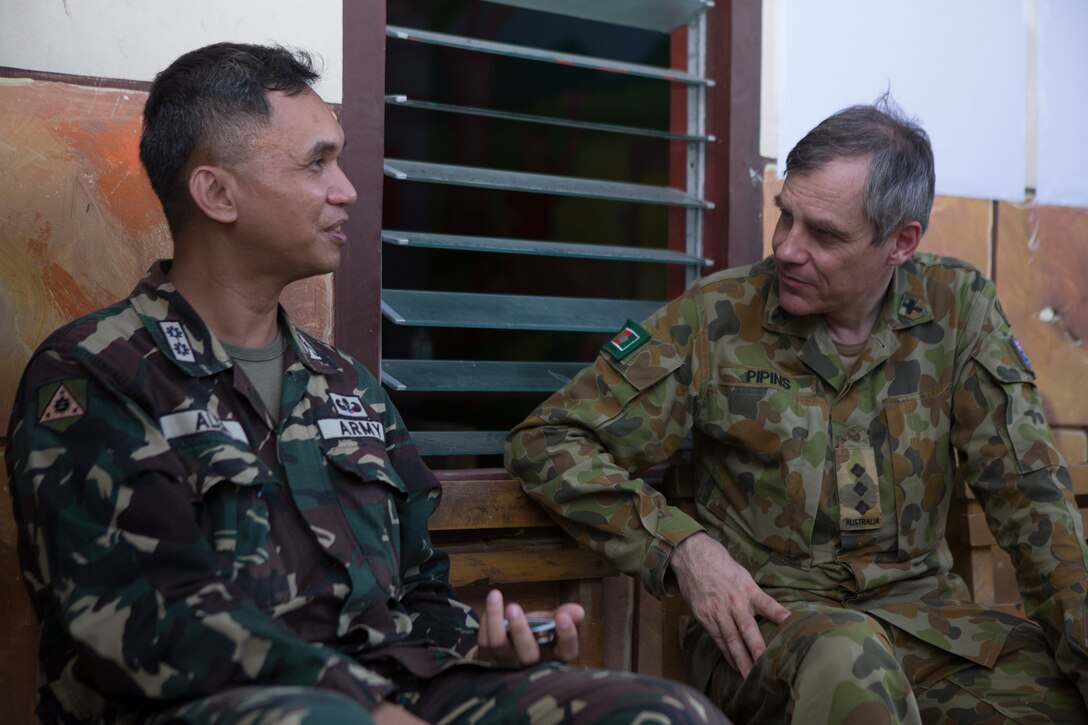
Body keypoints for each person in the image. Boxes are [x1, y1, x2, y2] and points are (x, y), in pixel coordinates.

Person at [5, 42, 730, 725]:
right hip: (207, 706)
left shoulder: (344, 384)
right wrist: (354, 701)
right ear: (217, 193)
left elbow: (419, 586)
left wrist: (477, 646)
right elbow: (146, 618)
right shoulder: (97, 372)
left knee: (663, 713)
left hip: (385, 693)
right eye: (317, 164)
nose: (348, 190)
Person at [507, 97, 1088, 724]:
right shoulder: (718, 317)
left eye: (825, 234)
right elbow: (548, 441)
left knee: (1052, 697)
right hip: (771, 633)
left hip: (930, 631)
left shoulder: (957, 309)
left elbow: (1031, 498)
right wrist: (683, 547)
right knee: (850, 658)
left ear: (901, 242)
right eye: (786, 217)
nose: (786, 248)